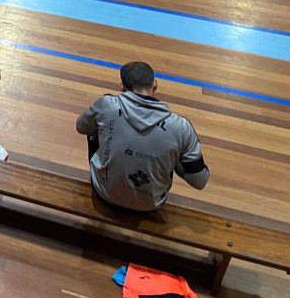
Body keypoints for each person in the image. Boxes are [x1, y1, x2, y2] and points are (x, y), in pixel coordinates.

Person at [76, 61, 209, 212]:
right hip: (150, 206)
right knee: (176, 152)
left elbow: (81, 127)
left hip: (104, 194)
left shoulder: (107, 105)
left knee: (95, 129)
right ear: (156, 85)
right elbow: (199, 181)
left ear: (121, 86)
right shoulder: (181, 127)